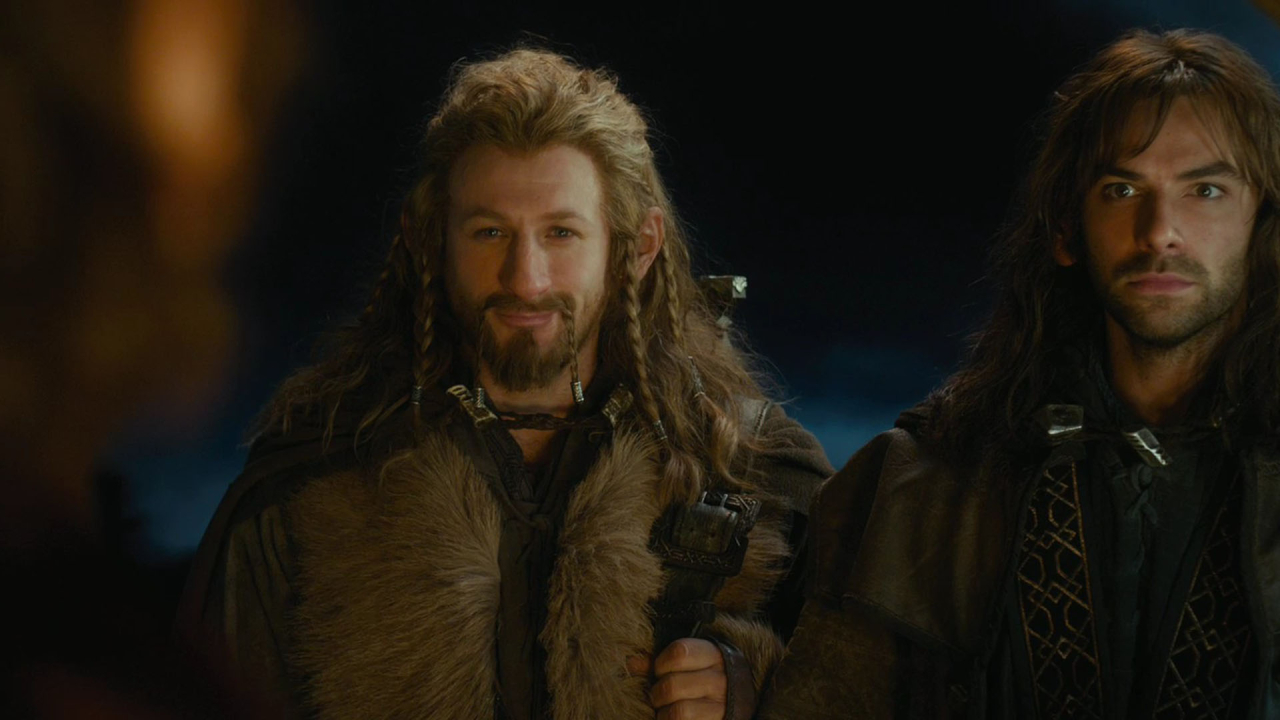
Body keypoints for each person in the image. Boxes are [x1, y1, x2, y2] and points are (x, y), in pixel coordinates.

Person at [177, 48, 831, 720]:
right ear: (429, 240)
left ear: (636, 248)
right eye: (489, 231)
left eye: (561, 233)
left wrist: (759, 691)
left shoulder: (754, 475)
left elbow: (870, 689)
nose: (525, 279)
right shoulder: (305, 485)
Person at [759, 29, 1280, 719]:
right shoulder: (924, 486)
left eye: (1205, 190)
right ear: (1066, 229)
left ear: (1263, 224)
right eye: (1122, 189)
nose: (1160, 231)